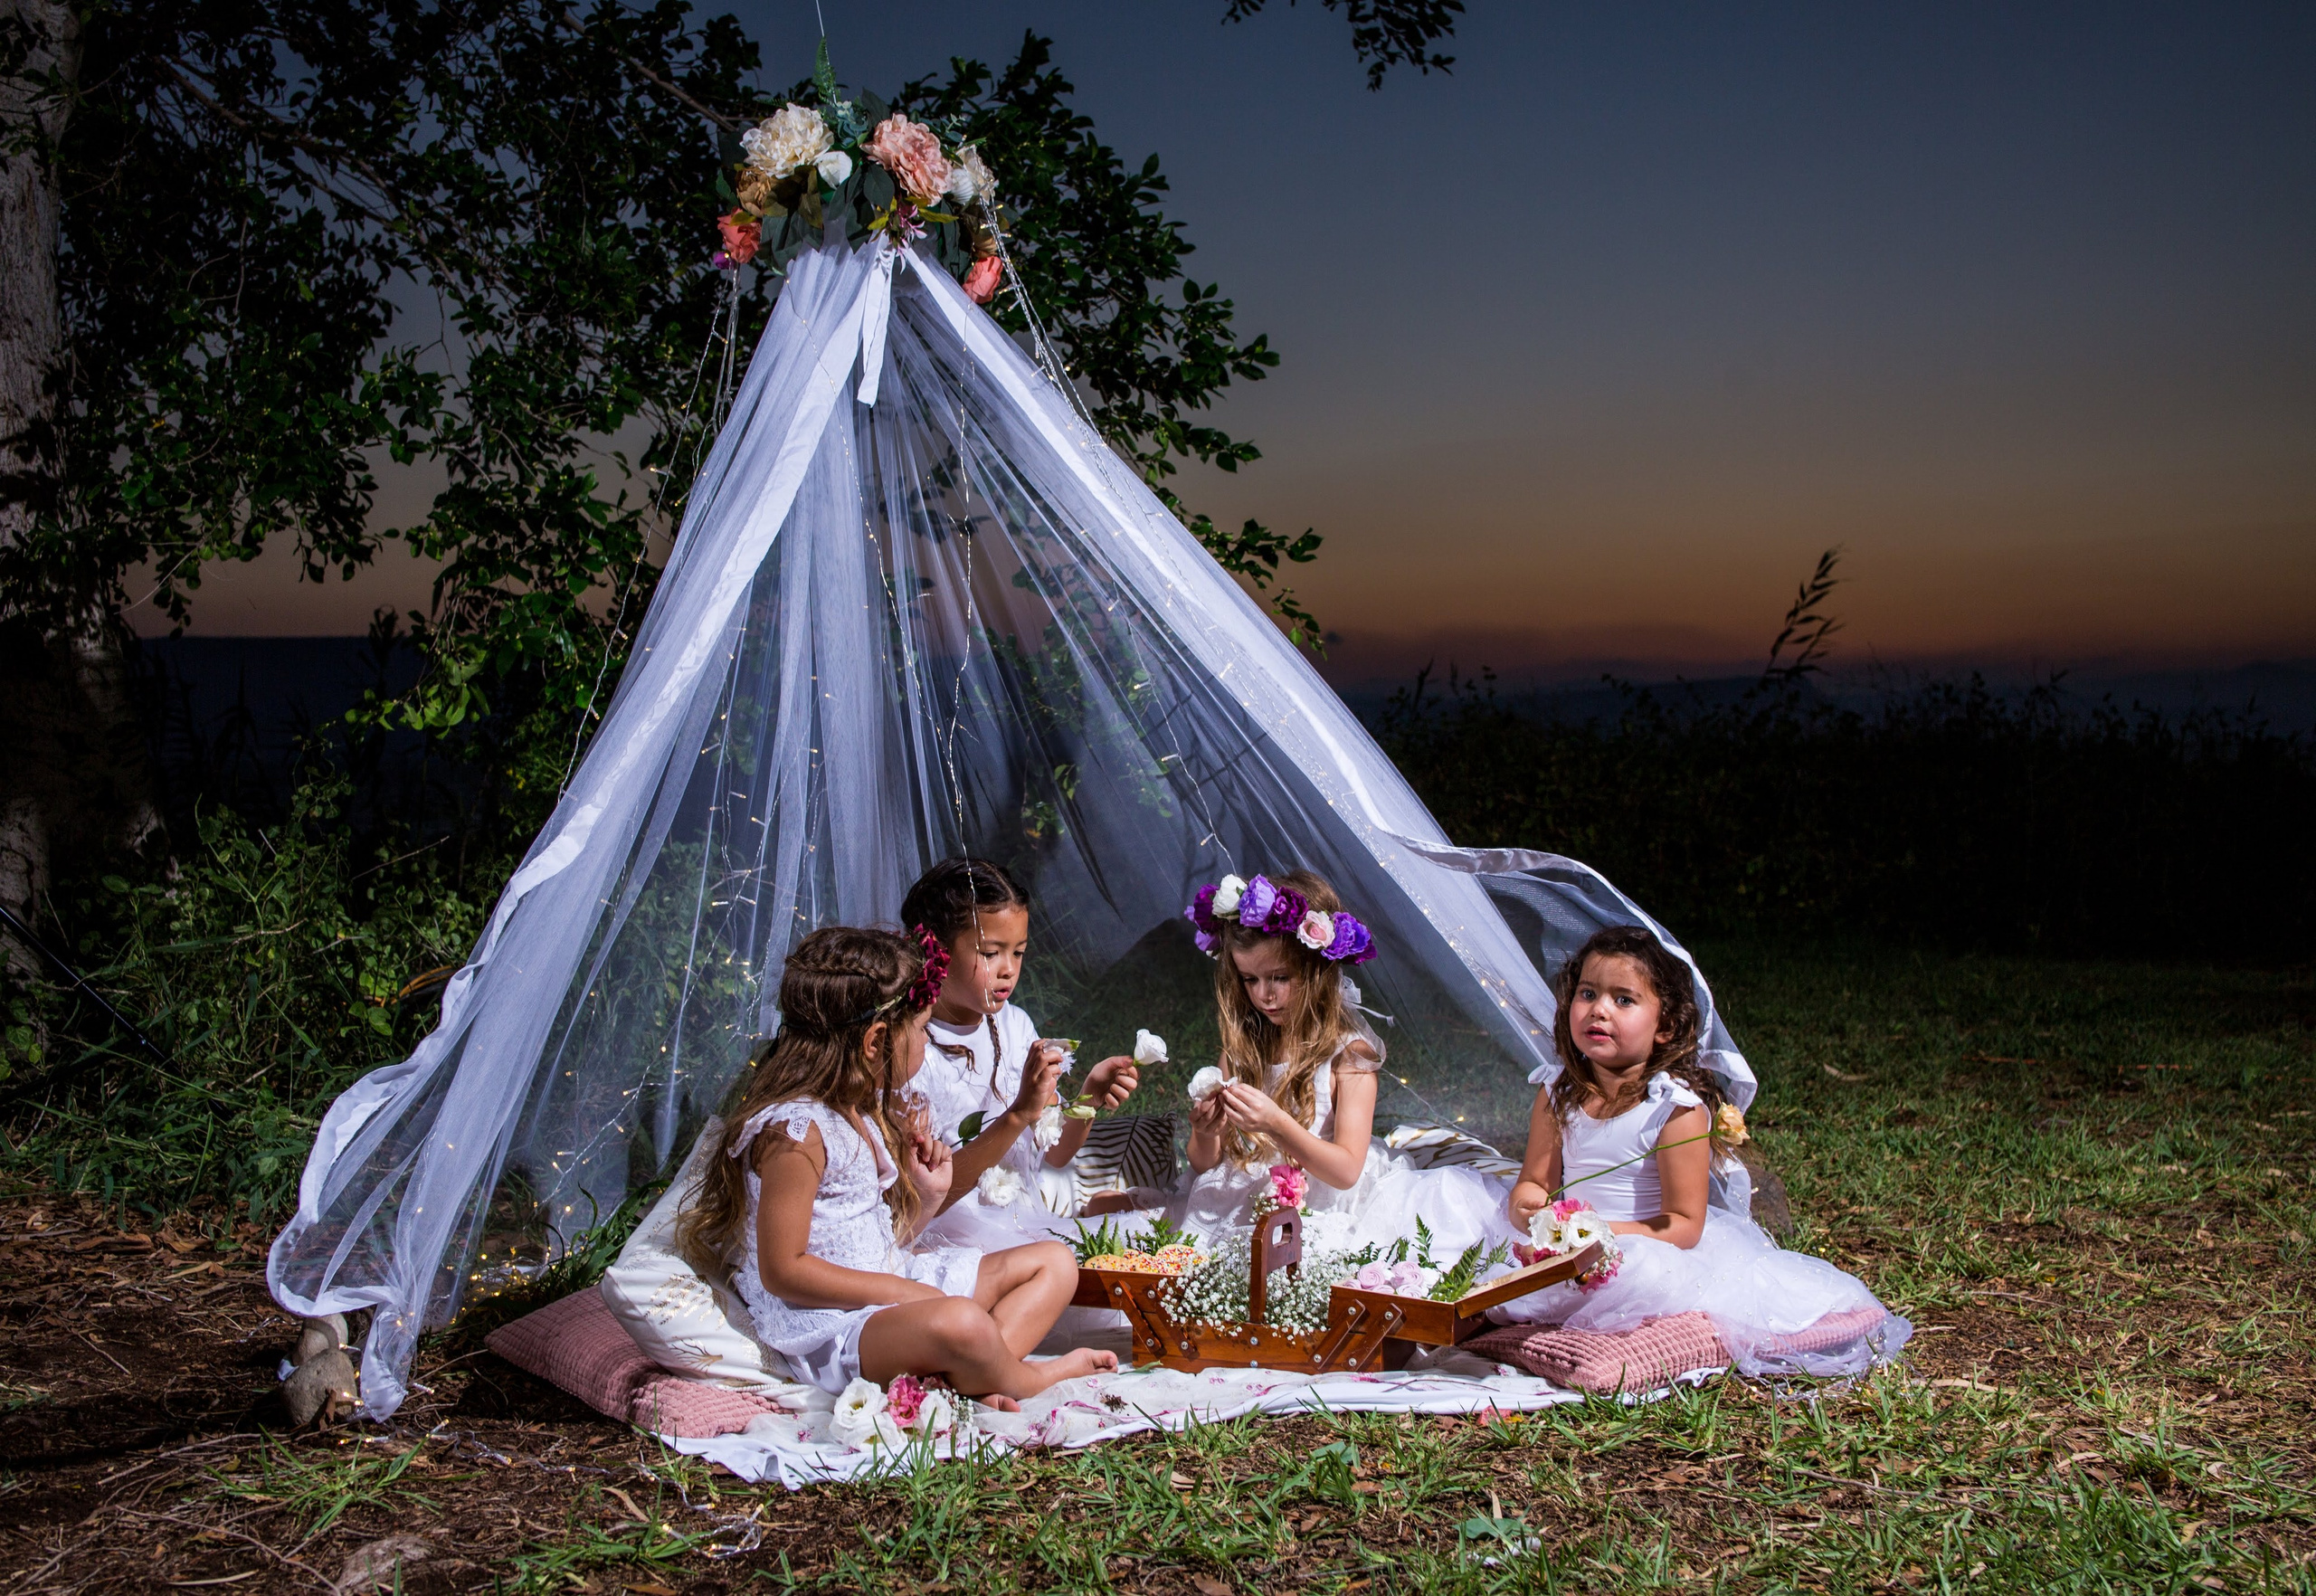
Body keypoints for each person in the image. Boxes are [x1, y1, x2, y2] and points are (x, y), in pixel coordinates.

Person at [676, 925, 1115, 1406]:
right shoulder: (796, 1133)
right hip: (838, 1324)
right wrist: (901, 1292)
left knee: (1054, 1261)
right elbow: (784, 1270)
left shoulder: (858, 1113)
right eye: (923, 1029)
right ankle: (1027, 1377)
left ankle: (973, 1375)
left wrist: (927, 1196)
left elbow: (872, 1237)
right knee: (962, 1322)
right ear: (876, 1040)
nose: (927, 1043)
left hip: (893, 1286)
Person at [1492, 925, 1910, 1379]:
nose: (1599, 1010)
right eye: (1588, 993)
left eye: (1624, 1000)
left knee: (1647, 1286)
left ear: (1666, 1026)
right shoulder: (1558, 1093)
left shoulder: (1673, 1109)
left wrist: (1594, 1234)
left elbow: (1684, 1225)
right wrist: (1532, 1214)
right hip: (1563, 1241)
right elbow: (1535, 1180)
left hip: (1643, 1246)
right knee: (1486, 1263)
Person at [1167, 869, 1516, 1264]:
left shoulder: (1349, 1055)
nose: (1265, 995)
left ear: (1317, 971)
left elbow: (1347, 1169)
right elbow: (1207, 1165)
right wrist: (1205, 1133)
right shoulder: (1244, 1050)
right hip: (1249, 1192)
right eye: (1250, 979)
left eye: (1280, 977)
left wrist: (1277, 1123)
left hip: (1327, 1198)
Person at [902, 858, 1146, 1251]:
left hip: (1025, 1223)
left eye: (1018, 952)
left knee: (1144, 1242)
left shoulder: (1015, 1026)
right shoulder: (912, 1049)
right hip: (949, 1237)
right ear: (935, 951)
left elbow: (1058, 1154)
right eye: (990, 952)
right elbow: (924, 1199)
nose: (1008, 970)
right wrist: (1017, 1115)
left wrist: (1090, 1098)